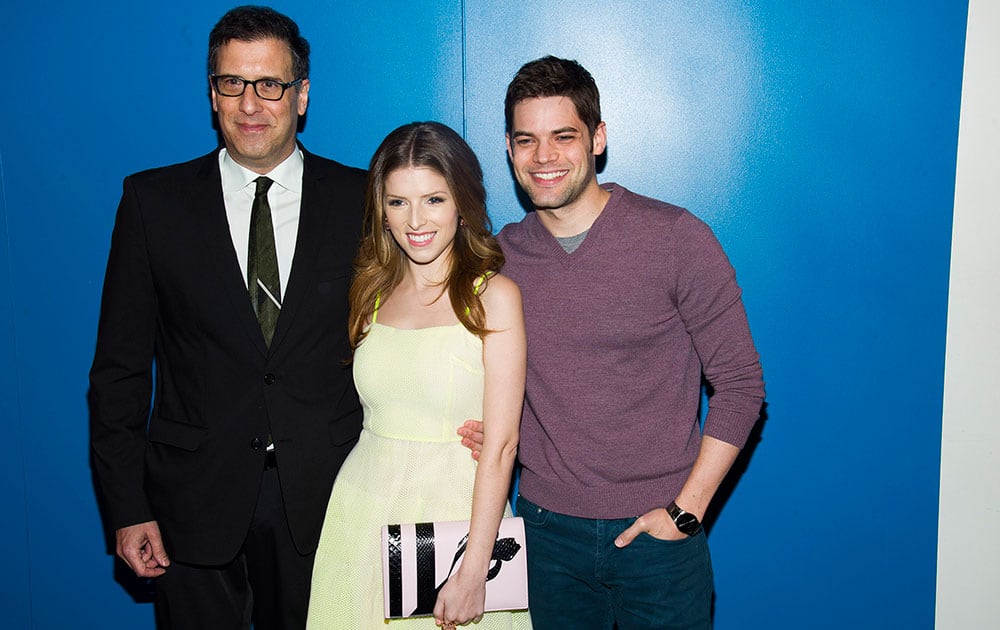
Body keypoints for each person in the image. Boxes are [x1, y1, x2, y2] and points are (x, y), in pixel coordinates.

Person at [87, 7, 478, 629]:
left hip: (330, 501)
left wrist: (478, 411)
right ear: (212, 92)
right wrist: (126, 505)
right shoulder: (152, 203)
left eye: (269, 84)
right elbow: (119, 372)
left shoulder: (365, 202)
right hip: (192, 502)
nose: (250, 103)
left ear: (301, 95)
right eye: (231, 83)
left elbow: (445, 300)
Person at [493, 56, 766, 630]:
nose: (543, 157)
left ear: (597, 138)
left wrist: (686, 512)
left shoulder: (674, 238)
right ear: (511, 149)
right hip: (545, 535)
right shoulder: (502, 257)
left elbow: (742, 387)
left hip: (659, 538)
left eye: (562, 137)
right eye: (526, 140)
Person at [306, 122, 532, 630]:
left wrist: (475, 568)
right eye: (398, 202)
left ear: (462, 204)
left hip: (455, 521)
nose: (415, 220)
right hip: (361, 513)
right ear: (381, 211)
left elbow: (500, 446)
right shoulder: (369, 294)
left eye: (433, 199)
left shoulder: (494, 297)